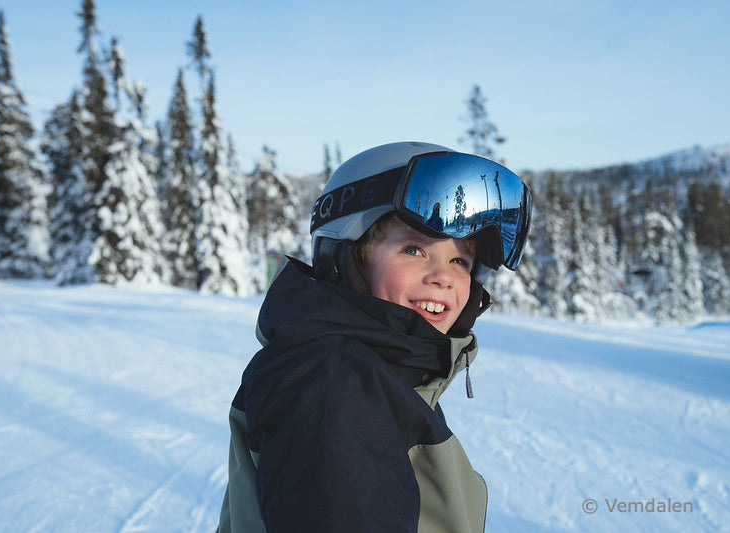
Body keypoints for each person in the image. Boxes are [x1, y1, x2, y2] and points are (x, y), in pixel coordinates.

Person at [215, 141, 531, 533]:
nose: (443, 276)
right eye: (414, 250)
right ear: (351, 257)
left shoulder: (378, 370)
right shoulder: (336, 384)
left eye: (459, 261)